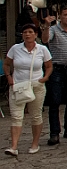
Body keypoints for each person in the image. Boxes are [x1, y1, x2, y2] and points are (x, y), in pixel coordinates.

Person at [4, 23, 53, 156]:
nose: (27, 34)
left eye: (30, 32)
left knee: (35, 115)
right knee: (16, 116)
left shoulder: (42, 49)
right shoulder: (15, 48)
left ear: (35, 34)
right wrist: (9, 77)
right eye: (25, 32)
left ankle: (35, 143)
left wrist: (45, 77)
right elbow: (7, 63)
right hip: (18, 86)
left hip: (36, 86)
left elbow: (49, 65)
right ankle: (14, 146)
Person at [42, 6, 67, 145]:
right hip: (57, 68)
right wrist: (46, 25)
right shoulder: (53, 30)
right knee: (55, 101)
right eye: (65, 15)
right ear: (60, 16)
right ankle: (54, 133)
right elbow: (45, 40)